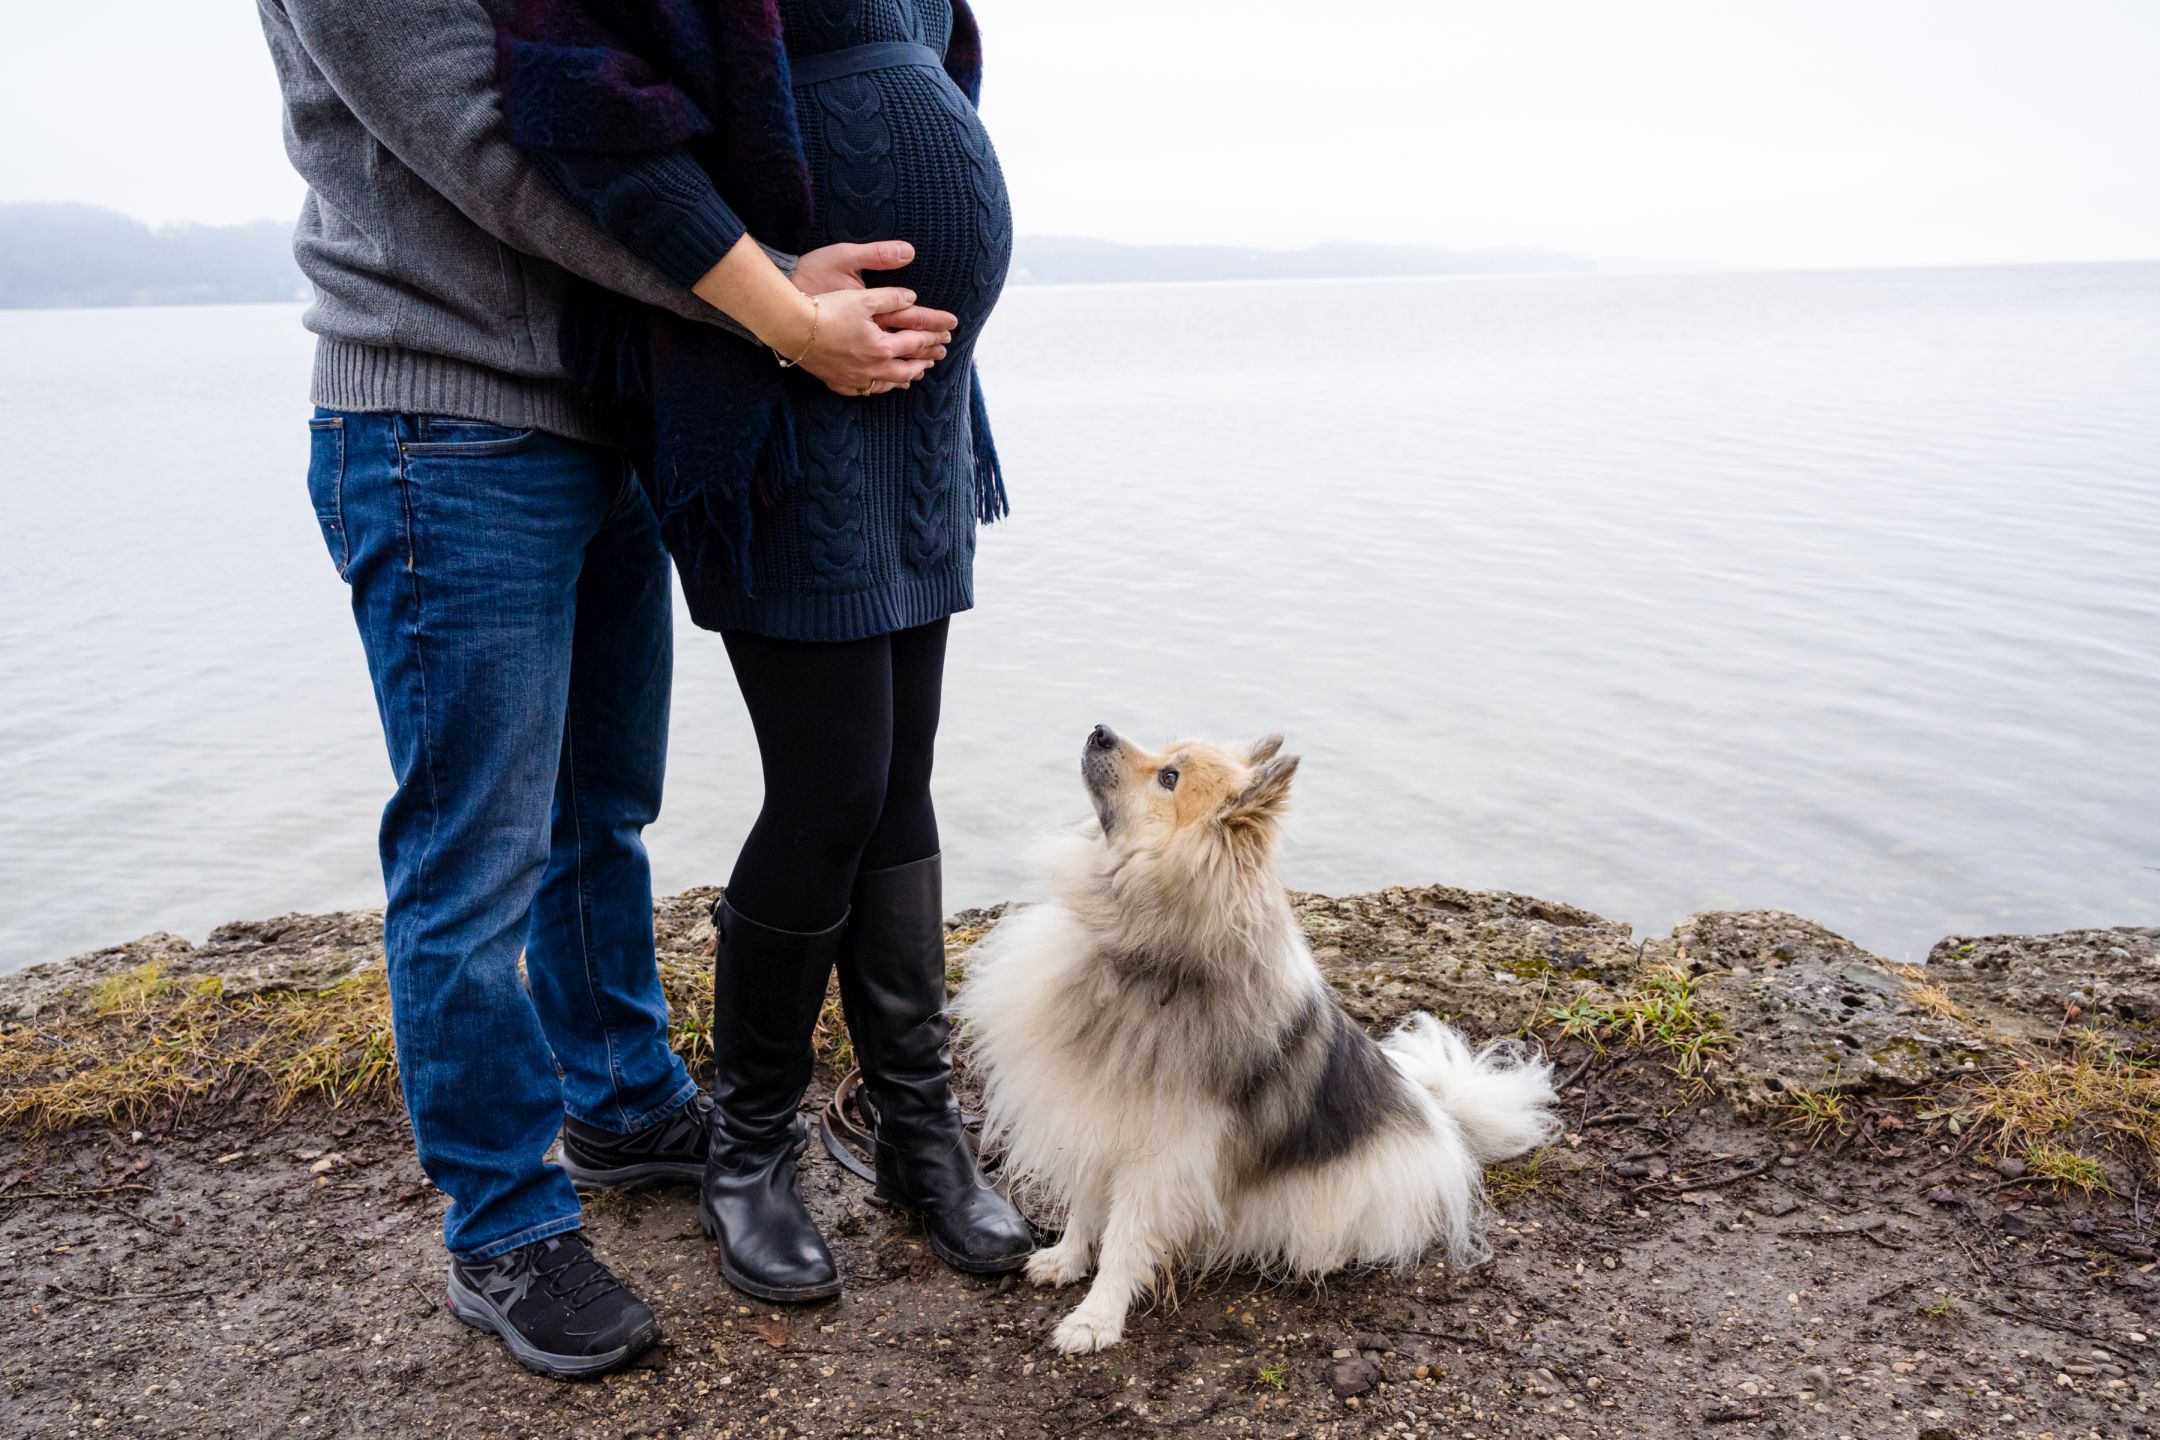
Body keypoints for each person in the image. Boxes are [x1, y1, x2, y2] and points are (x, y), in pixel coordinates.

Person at [257, 0, 969, 1380]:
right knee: (475, 860)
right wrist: (769, 293)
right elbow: (509, 155)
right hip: (438, 422)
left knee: (602, 810)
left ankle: (627, 1102)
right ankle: (505, 1226)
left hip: (605, 409)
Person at [495, 0, 1035, 1322]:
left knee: (901, 779)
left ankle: (919, 1132)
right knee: (831, 788)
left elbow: (936, 59)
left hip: (913, 392)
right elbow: (584, 115)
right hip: (772, 383)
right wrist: (775, 289)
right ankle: (750, 1148)